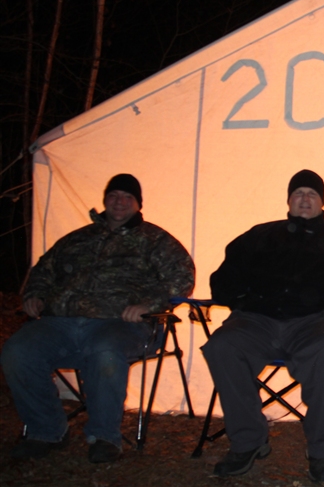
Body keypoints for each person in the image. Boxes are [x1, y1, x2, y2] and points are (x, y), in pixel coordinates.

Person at [202, 169, 324, 482]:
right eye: (298, 194)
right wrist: (240, 301)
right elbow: (224, 276)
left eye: (312, 194)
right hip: (257, 319)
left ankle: (320, 449)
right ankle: (249, 439)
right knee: (222, 346)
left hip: (319, 322)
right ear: (288, 200)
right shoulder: (260, 236)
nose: (304, 199)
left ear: (322, 202)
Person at [1, 174, 195, 464]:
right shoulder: (77, 238)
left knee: (104, 351)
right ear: (105, 200)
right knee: (18, 351)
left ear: (138, 204)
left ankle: (104, 436)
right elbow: (43, 270)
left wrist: (147, 304)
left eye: (127, 197)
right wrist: (35, 294)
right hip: (61, 322)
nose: (119, 202)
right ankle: (46, 430)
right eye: (114, 195)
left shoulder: (156, 241)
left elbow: (182, 278)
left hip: (123, 323)